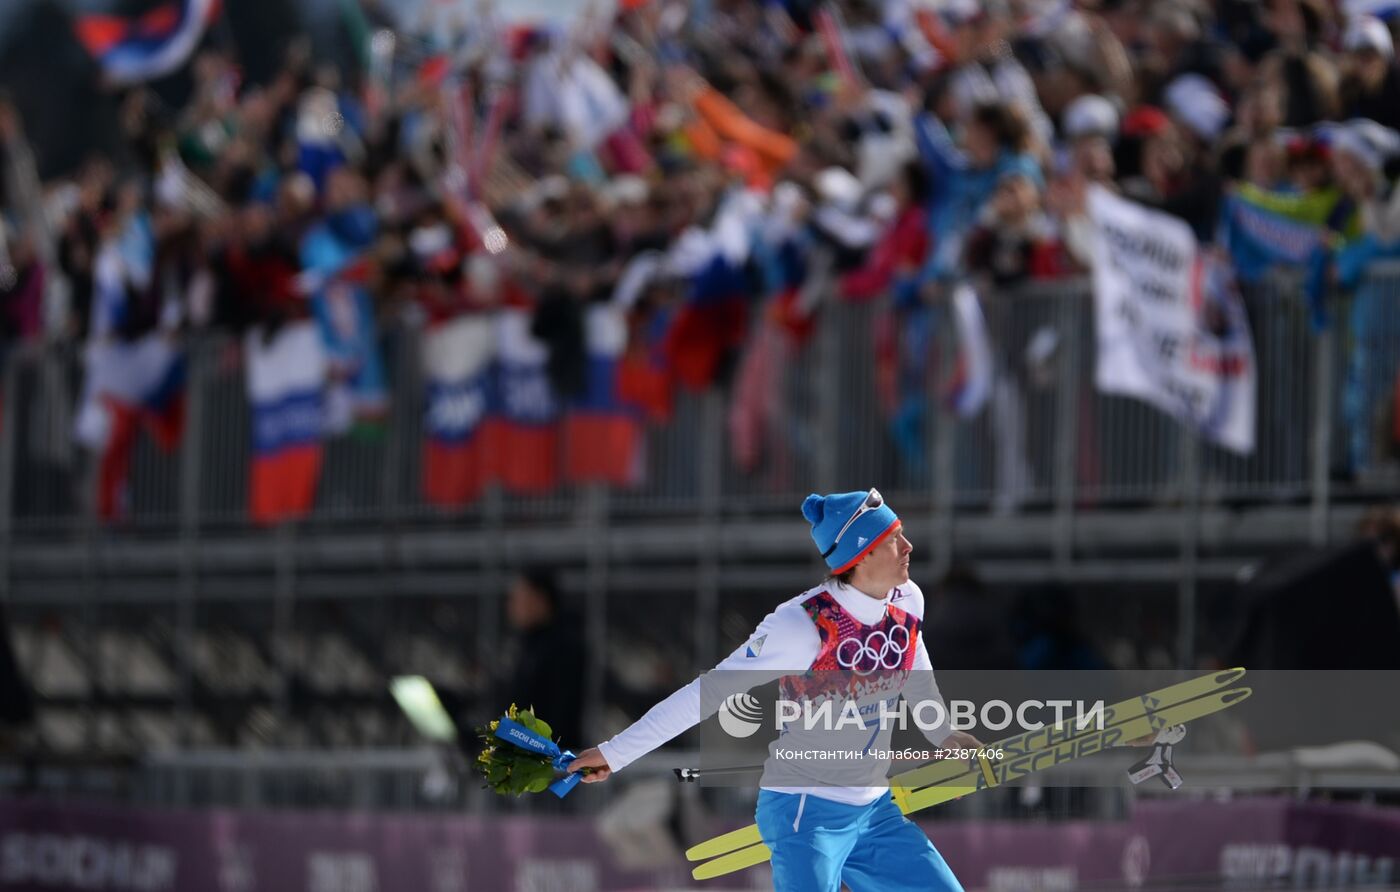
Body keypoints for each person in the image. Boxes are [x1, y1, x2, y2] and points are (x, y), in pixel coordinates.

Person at [568, 489, 982, 892]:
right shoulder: (802, 625)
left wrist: (942, 733)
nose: (908, 546)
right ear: (862, 553)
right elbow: (708, 694)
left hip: (874, 811)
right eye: (894, 539)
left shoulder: (908, 600)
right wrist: (614, 753)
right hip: (806, 812)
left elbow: (914, 670)